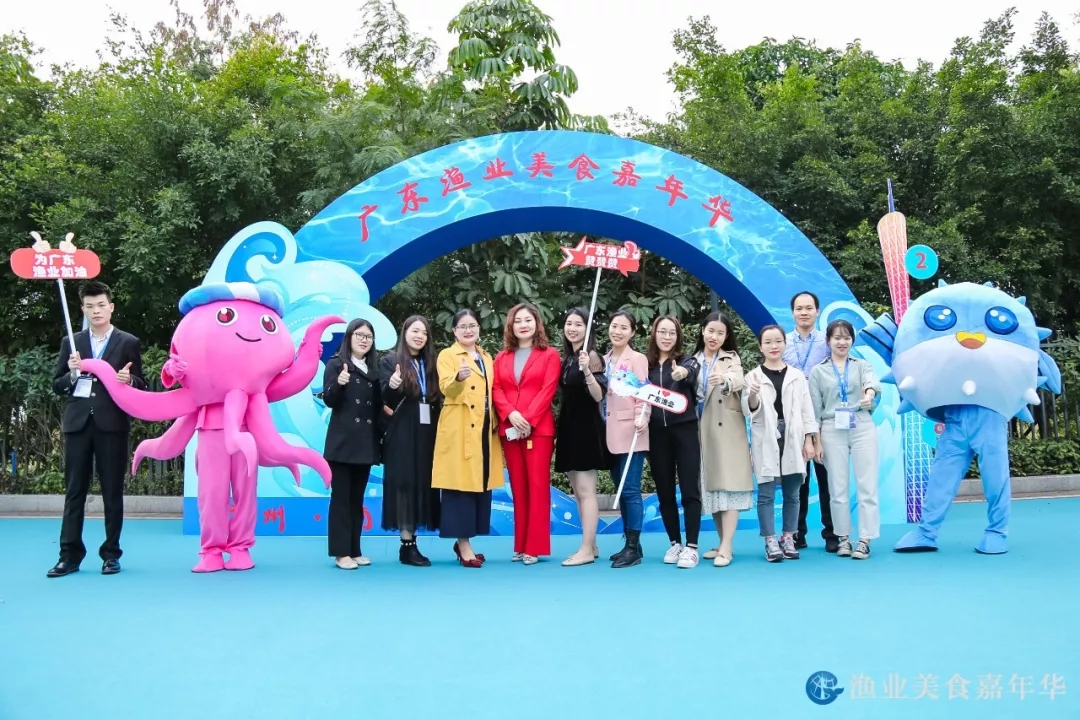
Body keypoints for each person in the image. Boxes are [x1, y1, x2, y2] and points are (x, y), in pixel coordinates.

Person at [48, 281, 146, 578]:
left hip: (112, 424)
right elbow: (57, 385)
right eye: (90, 306)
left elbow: (141, 384)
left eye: (101, 305)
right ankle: (69, 556)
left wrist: (129, 380)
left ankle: (111, 555)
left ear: (111, 307)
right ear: (83, 309)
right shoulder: (72, 342)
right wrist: (72, 374)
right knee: (74, 491)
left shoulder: (128, 342)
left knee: (112, 492)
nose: (96, 311)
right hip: (78, 424)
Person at [431, 309, 504, 568]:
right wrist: (459, 378)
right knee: (460, 487)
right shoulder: (447, 355)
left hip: (484, 429)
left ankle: (467, 540)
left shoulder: (486, 357)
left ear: (479, 329)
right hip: (460, 427)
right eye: (462, 326)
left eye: (472, 325)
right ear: (454, 331)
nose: (468, 330)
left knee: (480, 485)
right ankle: (463, 544)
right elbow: (446, 388)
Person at [742, 325, 820, 563]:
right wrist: (752, 393)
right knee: (766, 493)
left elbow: (807, 410)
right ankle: (770, 540)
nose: (773, 346)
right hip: (766, 435)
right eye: (768, 342)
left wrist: (809, 439)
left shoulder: (797, 375)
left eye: (778, 341)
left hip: (794, 434)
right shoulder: (753, 376)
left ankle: (788, 537)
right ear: (760, 347)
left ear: (785, 344)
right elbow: (749, 410)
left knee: (793, 493)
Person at [492, 303, 561, 565]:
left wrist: (528, 420)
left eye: (528, 320)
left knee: (537, 487)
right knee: (518, 488)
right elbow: (496, 389)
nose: (523, 325)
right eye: (518, 321)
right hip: (510, 429)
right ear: (511, 326)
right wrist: (510, 414)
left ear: (537, 323)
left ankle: (535, 546)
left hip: (538, 430)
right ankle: (520, 544)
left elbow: (548, 389)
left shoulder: (549, 355)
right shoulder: (501, 357)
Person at [809, 319, 882, 559]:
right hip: (831, 427)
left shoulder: (862, 365)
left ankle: (865, 540)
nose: (842, 342)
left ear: (852, 340)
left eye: (846, 337)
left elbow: (872, 384)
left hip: (861, 423)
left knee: (867, 485)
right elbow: (815, 410)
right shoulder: (818, 371)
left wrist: (869, 394)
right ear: (828, 340)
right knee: (837, 488)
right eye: (837, 338)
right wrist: (816, 441)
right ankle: (843, 538)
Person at [379, 315, 442, 566]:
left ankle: (414, 538)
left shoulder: (432, 364)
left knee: (423, 483)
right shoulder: (390, 361)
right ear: (404, 333)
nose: (419, 336)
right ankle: (407, 545)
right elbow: (383, 398)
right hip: (402, 432)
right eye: (415, 331)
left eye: (424, 333)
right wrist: (393, 385)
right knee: (404, 484)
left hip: (428, 433)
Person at [694, 311, 754, 567]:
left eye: (720, 333)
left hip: (727, 430)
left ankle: (727, 546)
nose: (714, 336)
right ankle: (721, 542)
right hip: (700, 430)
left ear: (726, 336)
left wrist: (724, 379)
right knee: (713, 489)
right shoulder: (692, 360)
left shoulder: (731, 358)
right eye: (711, 331)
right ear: (702, 331)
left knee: (729, 487)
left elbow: (739, 379)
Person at [322, 318, 382, 570]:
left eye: (368, 337)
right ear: (349, 337)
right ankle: (340, 552)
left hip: (365, 444)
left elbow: (377, 407)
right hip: (342, 444)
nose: (364, 340)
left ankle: (354, 550)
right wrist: (339, 384)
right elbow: (329, 399)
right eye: (359, 335)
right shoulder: (337, 364)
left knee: (357, 499)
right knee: (341, 499)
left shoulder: (372, 369)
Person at [783, 291, 838, 552]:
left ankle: (832, 534)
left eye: (808, 308)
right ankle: (797, 534)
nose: (804, 312)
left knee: (828, 480)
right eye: (799, 308)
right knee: (798, 481)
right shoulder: (782, 342)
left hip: (823, 417)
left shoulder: (827, 342)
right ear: (792, 312)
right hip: (794, 420)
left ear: (817, 311)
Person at [645, 315, 702, 568]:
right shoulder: (645, 365)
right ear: (654, 334)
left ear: (678, 336)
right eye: (662, 332)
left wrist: (682, 372)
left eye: (672, 332)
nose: (667, 337)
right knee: (664, 491)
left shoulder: (687, 360)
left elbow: (692, 372)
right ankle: (675, 543)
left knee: (690, 490)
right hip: (656, 434)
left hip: (685, 431)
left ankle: (692, 546)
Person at [554, 308, 610, 566]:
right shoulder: (568, 358)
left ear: (588, 329)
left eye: (579, 324)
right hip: (569, 427)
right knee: (578, 491)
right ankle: (592, 544)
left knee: (587, 491)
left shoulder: (592, 356)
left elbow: (599, 395)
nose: (573, 328)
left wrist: (587, 371)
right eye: (569, 323)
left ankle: (586, 549)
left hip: (586, 429)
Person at [604, 310, 651, 568]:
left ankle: (633, 547)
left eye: (624, 327)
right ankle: (630, 544)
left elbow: (644, 392)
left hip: (632, 430)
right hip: (609, 432)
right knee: (620, 490)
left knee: (630, 489)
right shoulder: (603, 359)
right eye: (614, 326)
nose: (617, 331)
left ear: (632, 332)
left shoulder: (637, 359)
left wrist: (643, 416)